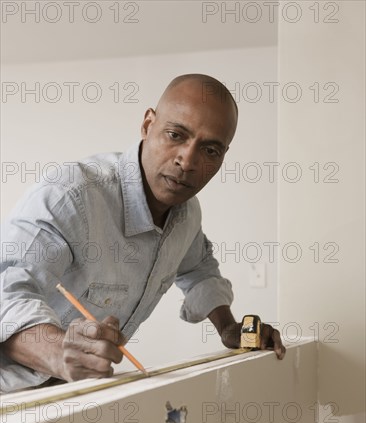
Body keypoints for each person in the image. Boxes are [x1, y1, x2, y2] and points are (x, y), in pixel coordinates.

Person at [0, 74, 285, 392]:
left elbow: (199, 269)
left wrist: (229, 327)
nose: (187, 161)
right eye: (176, 134)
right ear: (148, 125)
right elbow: (5, 293)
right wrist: (57, 352)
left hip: (75, 397)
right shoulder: (71, 195)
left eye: (210, 151)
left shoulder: (187, 214)